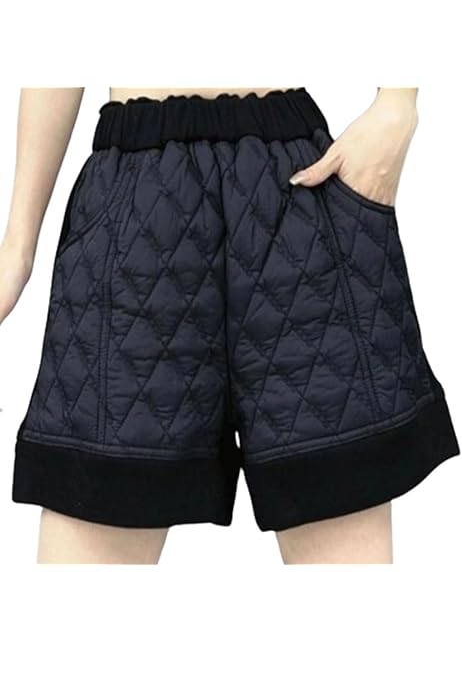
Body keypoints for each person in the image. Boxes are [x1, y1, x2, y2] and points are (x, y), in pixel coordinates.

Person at [2, 86, 459, 564]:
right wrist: (17, 245)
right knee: (89, 532)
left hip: (294, 193)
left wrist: (396, 107)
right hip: (136, 206)